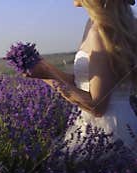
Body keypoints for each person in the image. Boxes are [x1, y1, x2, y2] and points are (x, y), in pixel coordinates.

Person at [26, 0, 137, 150]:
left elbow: (97, 106)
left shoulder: (100, 30)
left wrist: (49, 76)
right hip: (105, 124)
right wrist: (42, 67)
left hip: (109, 130)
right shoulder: (94, 25)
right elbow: (79, 81)